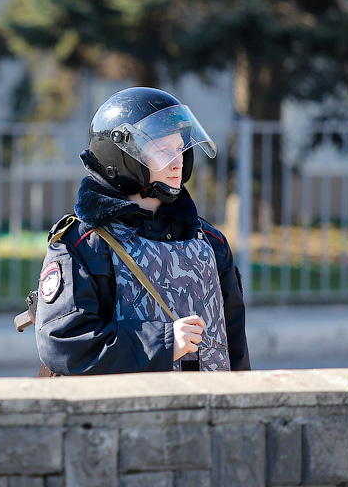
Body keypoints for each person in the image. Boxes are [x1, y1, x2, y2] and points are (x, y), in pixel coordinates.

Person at [35, 87, 250, 375]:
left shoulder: (210, 243)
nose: (178, 162)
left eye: (180, 149)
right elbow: (65, 343)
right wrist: (162, 343)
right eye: (162, 150)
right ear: (121, 157)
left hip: (206, 415)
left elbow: (234, 350)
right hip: (120, 416)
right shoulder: (84, 244)